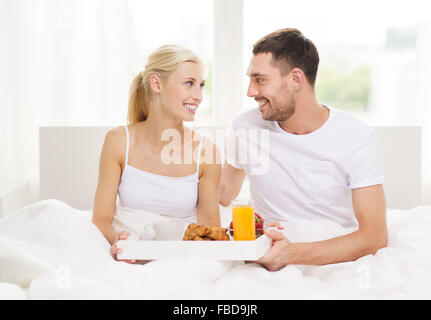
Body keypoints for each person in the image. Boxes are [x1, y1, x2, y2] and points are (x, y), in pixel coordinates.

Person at [220, 28, 388, 270]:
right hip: (267, 256)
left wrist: (291, 253)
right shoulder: (244, 127)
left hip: (335, 261)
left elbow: (374, 237)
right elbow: (223, 194)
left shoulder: (356, 137)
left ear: (296, 79)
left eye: (260, 79)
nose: (250, 91)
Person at [92, 45, 221, 262]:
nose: (198, 96)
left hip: (181, 259)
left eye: (200, 86)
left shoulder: (207, 152)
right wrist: (120, 241)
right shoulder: (118, 141)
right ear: (156, 84)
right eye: (189, 84)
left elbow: (210, 233)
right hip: (127, 253)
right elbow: (101, 219)